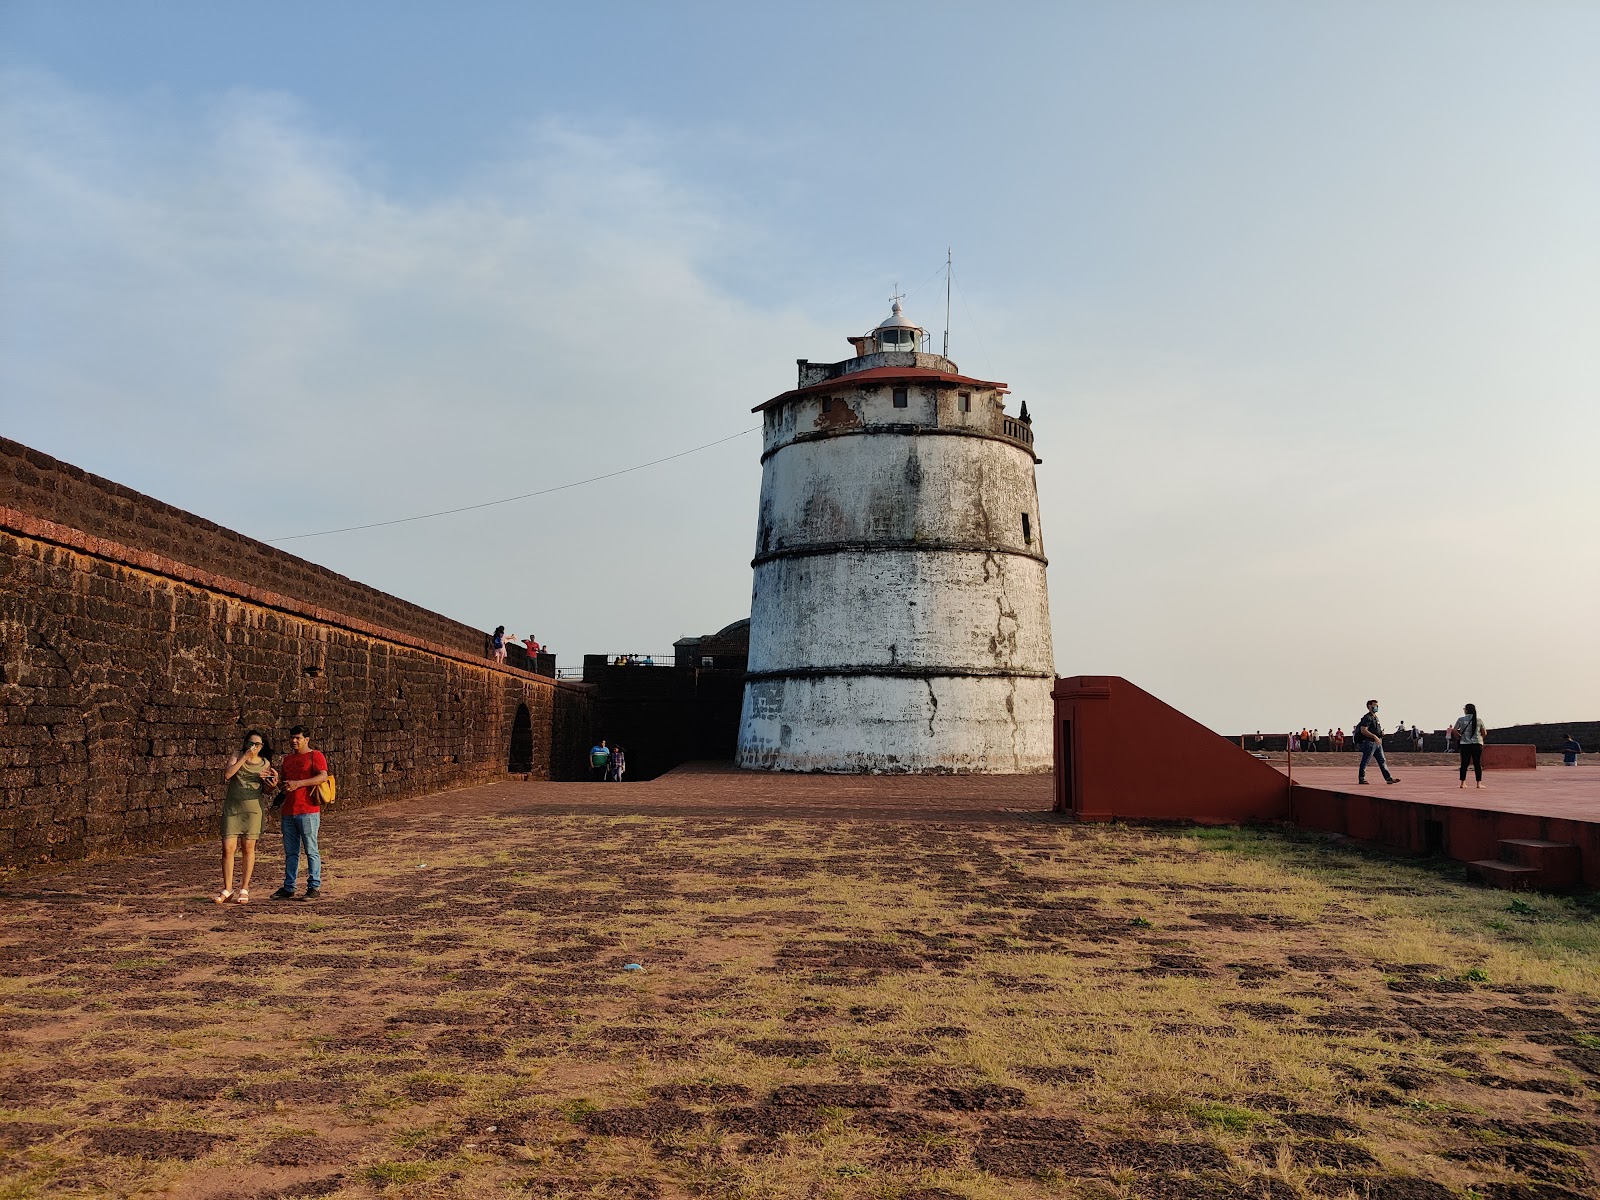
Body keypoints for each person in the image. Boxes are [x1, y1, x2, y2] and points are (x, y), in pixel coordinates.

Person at [217, 731, 277, 904]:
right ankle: (227, 889)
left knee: (248, 848)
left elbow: (265, 790)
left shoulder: (265, 763)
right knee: (228, 848)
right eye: (250, 743)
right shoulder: (237, 755)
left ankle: (244, 887)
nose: (253, 747)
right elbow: (228, 775)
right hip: (233, 808)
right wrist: (244, 757)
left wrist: (272, 785)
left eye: (257, 745)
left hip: (252, 810)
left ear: (262, 747)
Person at [271, 726, 329, 900]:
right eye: (292, 738)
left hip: (308, 810)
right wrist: (276, 780)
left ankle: (314, 885)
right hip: (289, 810)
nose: (294, 741)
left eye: (298, 738)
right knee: (291, 852)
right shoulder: (288, 760)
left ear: (306, 739)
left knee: (311, 849)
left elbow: (322, 777)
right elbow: (284, 784)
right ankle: (289, 886)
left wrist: (300, 783)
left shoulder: (315, 756)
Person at [1354, 700, 1400, 786]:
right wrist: (1374, 736)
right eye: (1375, 705)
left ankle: (1388, 778)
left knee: (1382, 760)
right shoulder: (1367, 717)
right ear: (1369, 706)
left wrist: (1380, 734)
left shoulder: (1375, 717)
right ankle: (1361, 778)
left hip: (1377, 743)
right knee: (1366, 760)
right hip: (1370, 742)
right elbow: (1363, 730)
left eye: (1377, 706)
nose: (1376, 707)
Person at [1453, 703, 1487, 789]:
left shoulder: (1461, 719)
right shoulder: (1478, 720)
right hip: (1477, 744)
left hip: (1465, 744)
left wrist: (1459, 736)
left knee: (1464, 763)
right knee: (1477, 764)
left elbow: (1454, 730)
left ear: (1467, 710)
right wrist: (1479, 738)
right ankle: (1478, 783)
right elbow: (1484, 733)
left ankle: (1462, 783)